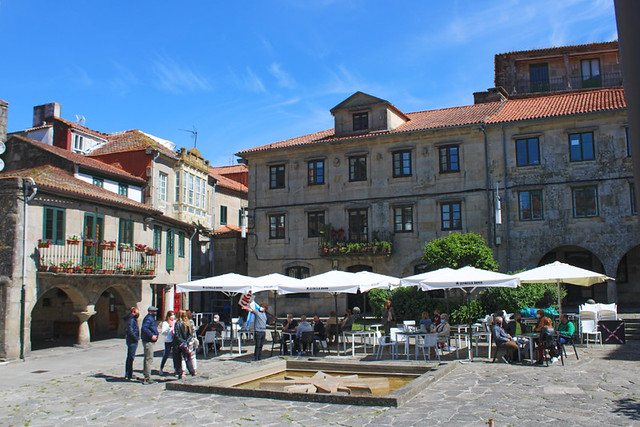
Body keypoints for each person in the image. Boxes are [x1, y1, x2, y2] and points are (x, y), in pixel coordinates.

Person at [173, 310, 196, 379]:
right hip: (186, 343)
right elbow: (190, 334)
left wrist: (181, 341)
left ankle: (180, 372)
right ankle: (192, 371)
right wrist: (186, 342)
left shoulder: (177, 323)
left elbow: (176, 334)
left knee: (178, 358)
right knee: (187, 358)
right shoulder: (188, 323)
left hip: (178, 343)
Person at [141, 306, 159, 385]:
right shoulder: (148, 318)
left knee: (148, 358)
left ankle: (146, 374)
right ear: (151, 312)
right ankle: (147, 378)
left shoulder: (150, 318)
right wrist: (151, 335)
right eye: (154, 311)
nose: (156, 313)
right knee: (149, 359)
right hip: (148, 341)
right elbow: (144, 328)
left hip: (149, 340)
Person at [123, 306, 140, 381]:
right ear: (132, 313)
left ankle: (128, 373)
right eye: (136, 312)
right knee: (131, 357)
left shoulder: (132, 319)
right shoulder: (131, 320)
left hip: (131, 340)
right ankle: (129, 374)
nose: (138, 314)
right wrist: (136, 338)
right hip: (132, 340)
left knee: (130, 357)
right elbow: (131, 330)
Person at [159, 311, 175, 376]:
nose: (173, 317)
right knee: (166, 354)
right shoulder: (165, 323)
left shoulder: (175, 322)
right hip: (168, 340)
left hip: (174, 340)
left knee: (175, 355)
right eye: (171, 315)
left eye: (173, 315)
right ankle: (161, 368)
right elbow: (163, 332)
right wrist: (169, 328)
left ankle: (176, 368)